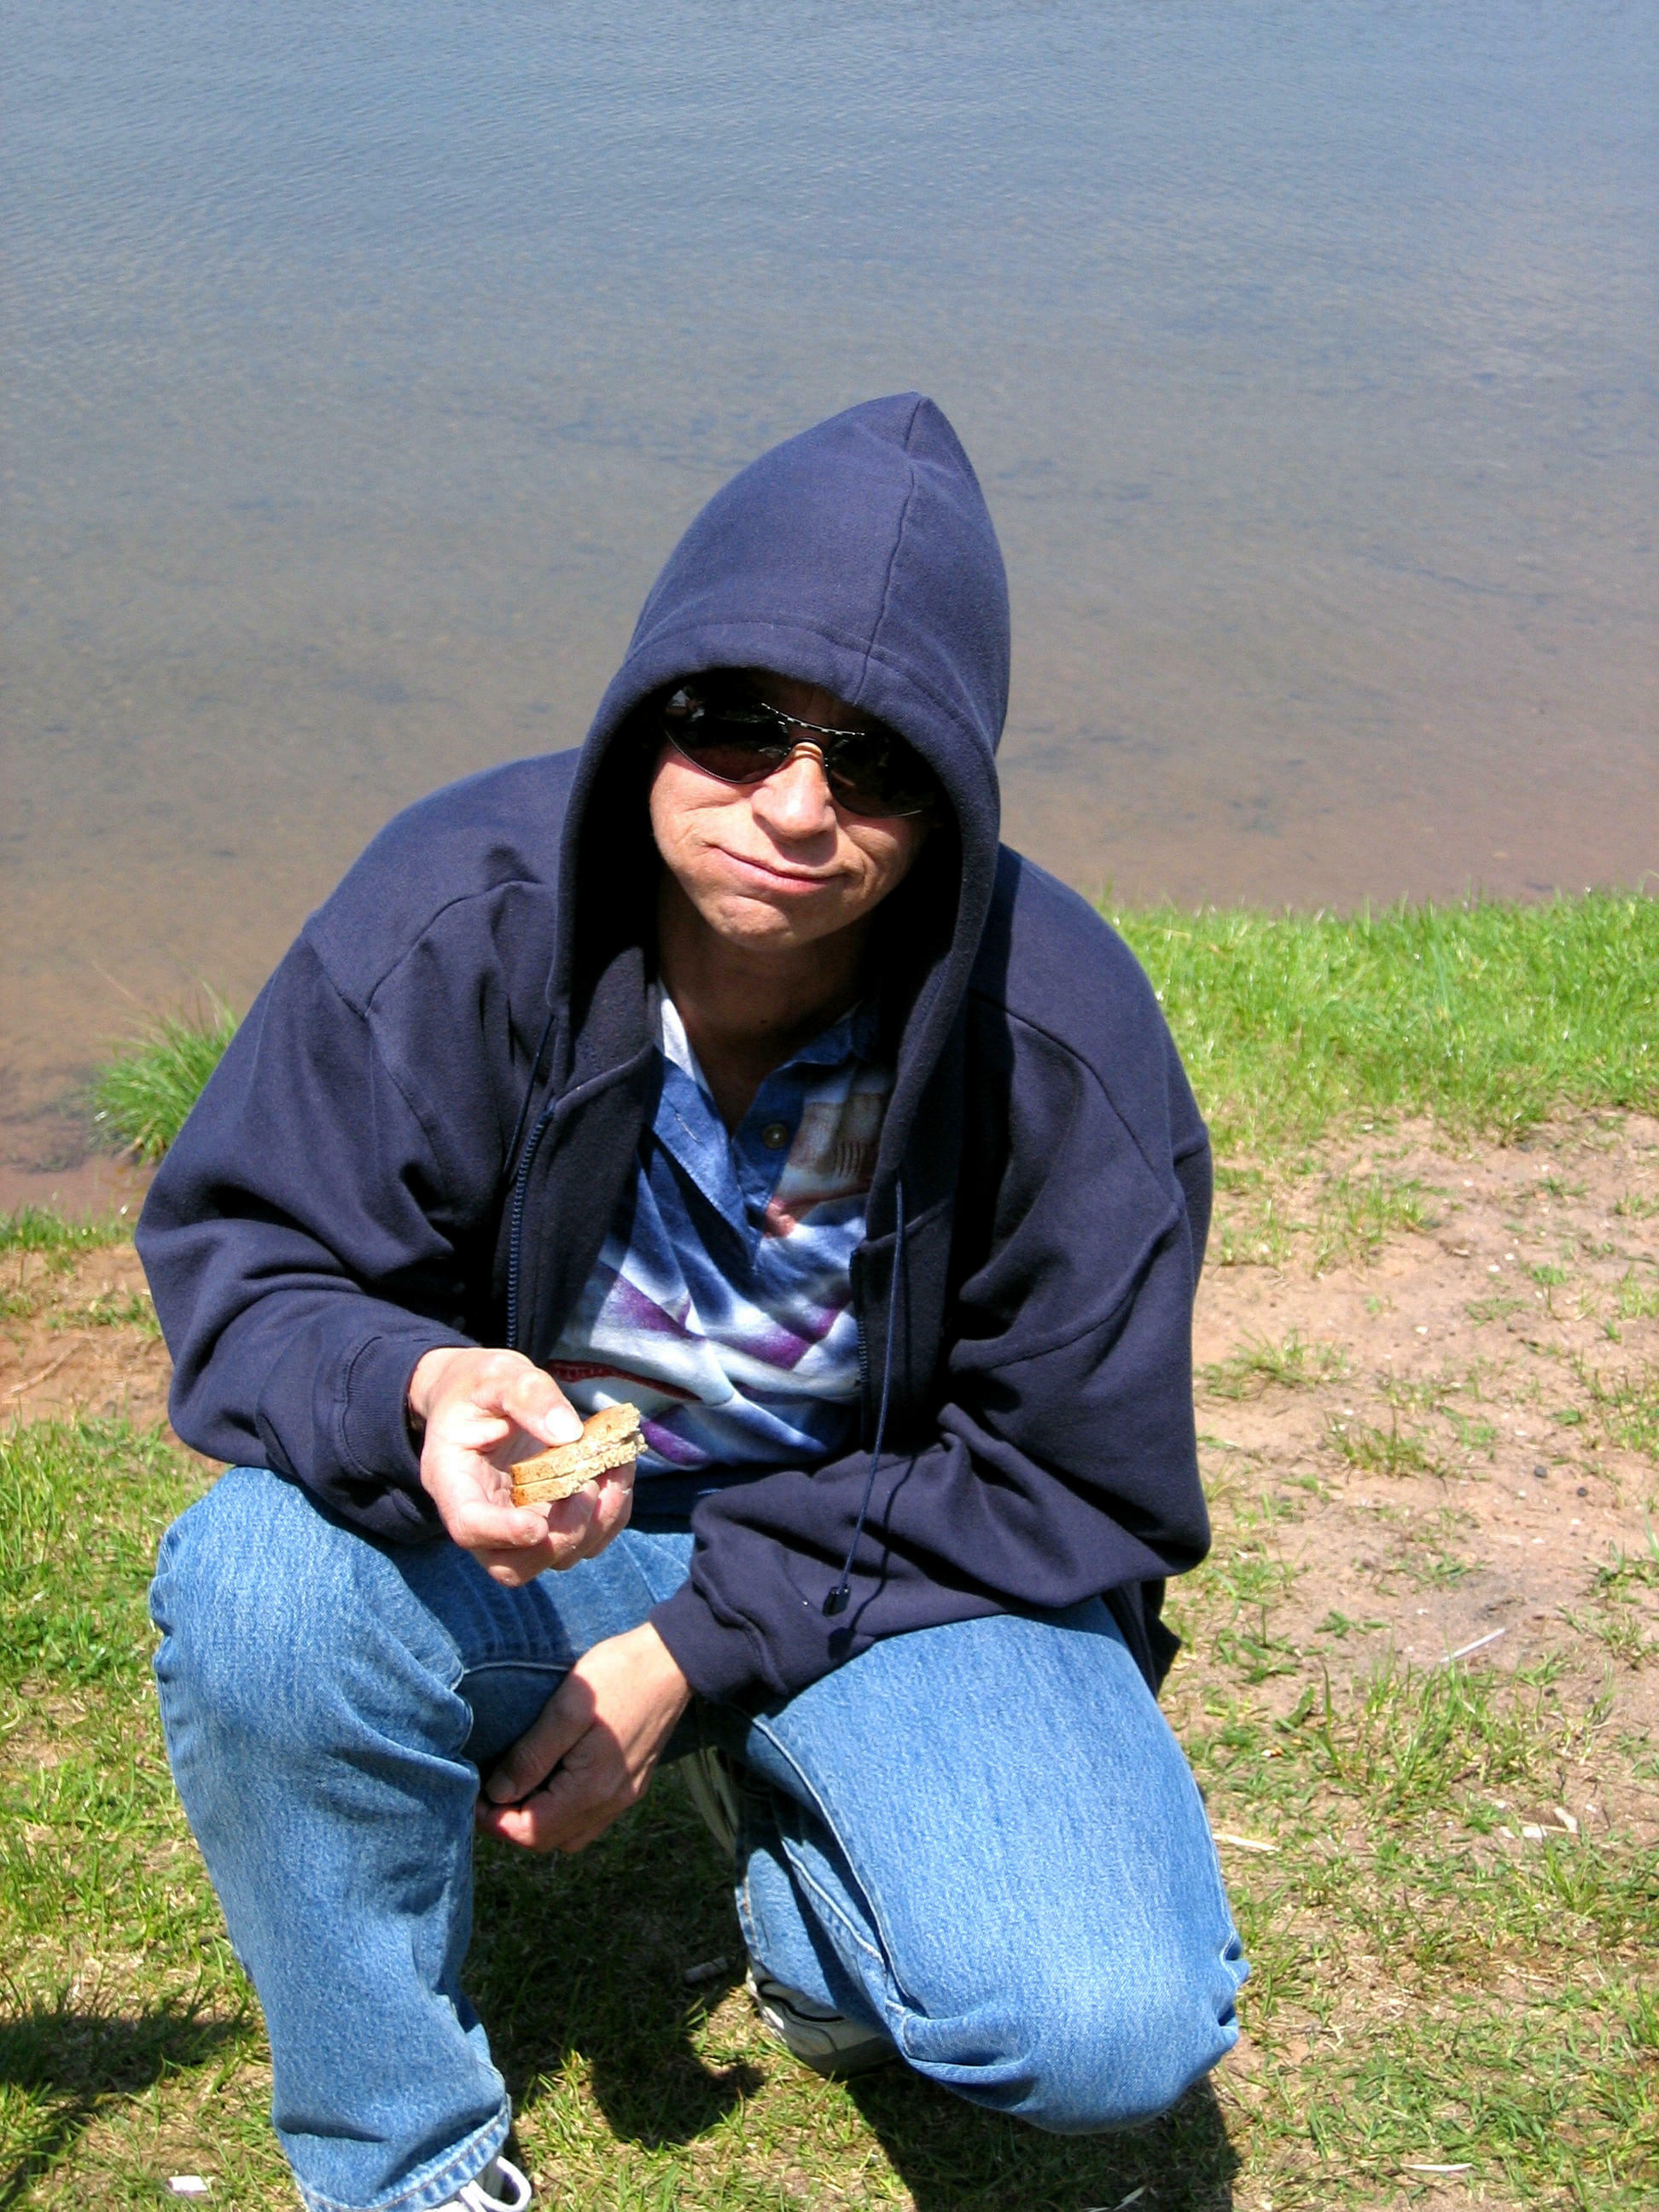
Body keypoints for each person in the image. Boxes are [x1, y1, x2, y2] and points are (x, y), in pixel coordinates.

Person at [140, 394, 1247, 2212]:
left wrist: (693, 1653)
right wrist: (421, 1385)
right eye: (737, 728)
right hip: (548, 1527)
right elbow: (249, 1262)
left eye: (878, 765)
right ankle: (402, 2161)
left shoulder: (1060, 1033)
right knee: (259, 1587)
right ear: (649, 710)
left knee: (1105, 2032)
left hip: (898, 1566)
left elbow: (1071, 1480)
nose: (796, 809)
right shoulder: (454, 907)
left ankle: (805, 1878)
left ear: (958, 794)